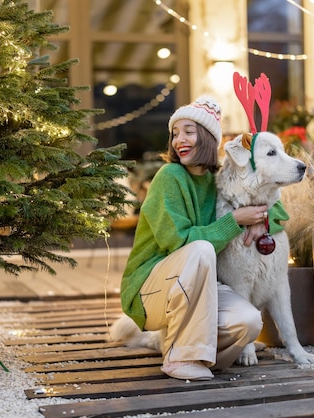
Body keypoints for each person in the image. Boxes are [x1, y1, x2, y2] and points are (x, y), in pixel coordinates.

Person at [119, 96, 269, 381]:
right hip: (149, 289)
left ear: (208, 138)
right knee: (199, 249)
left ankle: (194, 351)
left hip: (200, 288)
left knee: (249, 323)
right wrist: (234, 221)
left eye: (189, 131)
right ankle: (179, 358)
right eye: (175, 133)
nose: (179, 140)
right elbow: (178, 241)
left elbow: (272, 204)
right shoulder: (169, 176)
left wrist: (263, 220)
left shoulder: (219, 178)